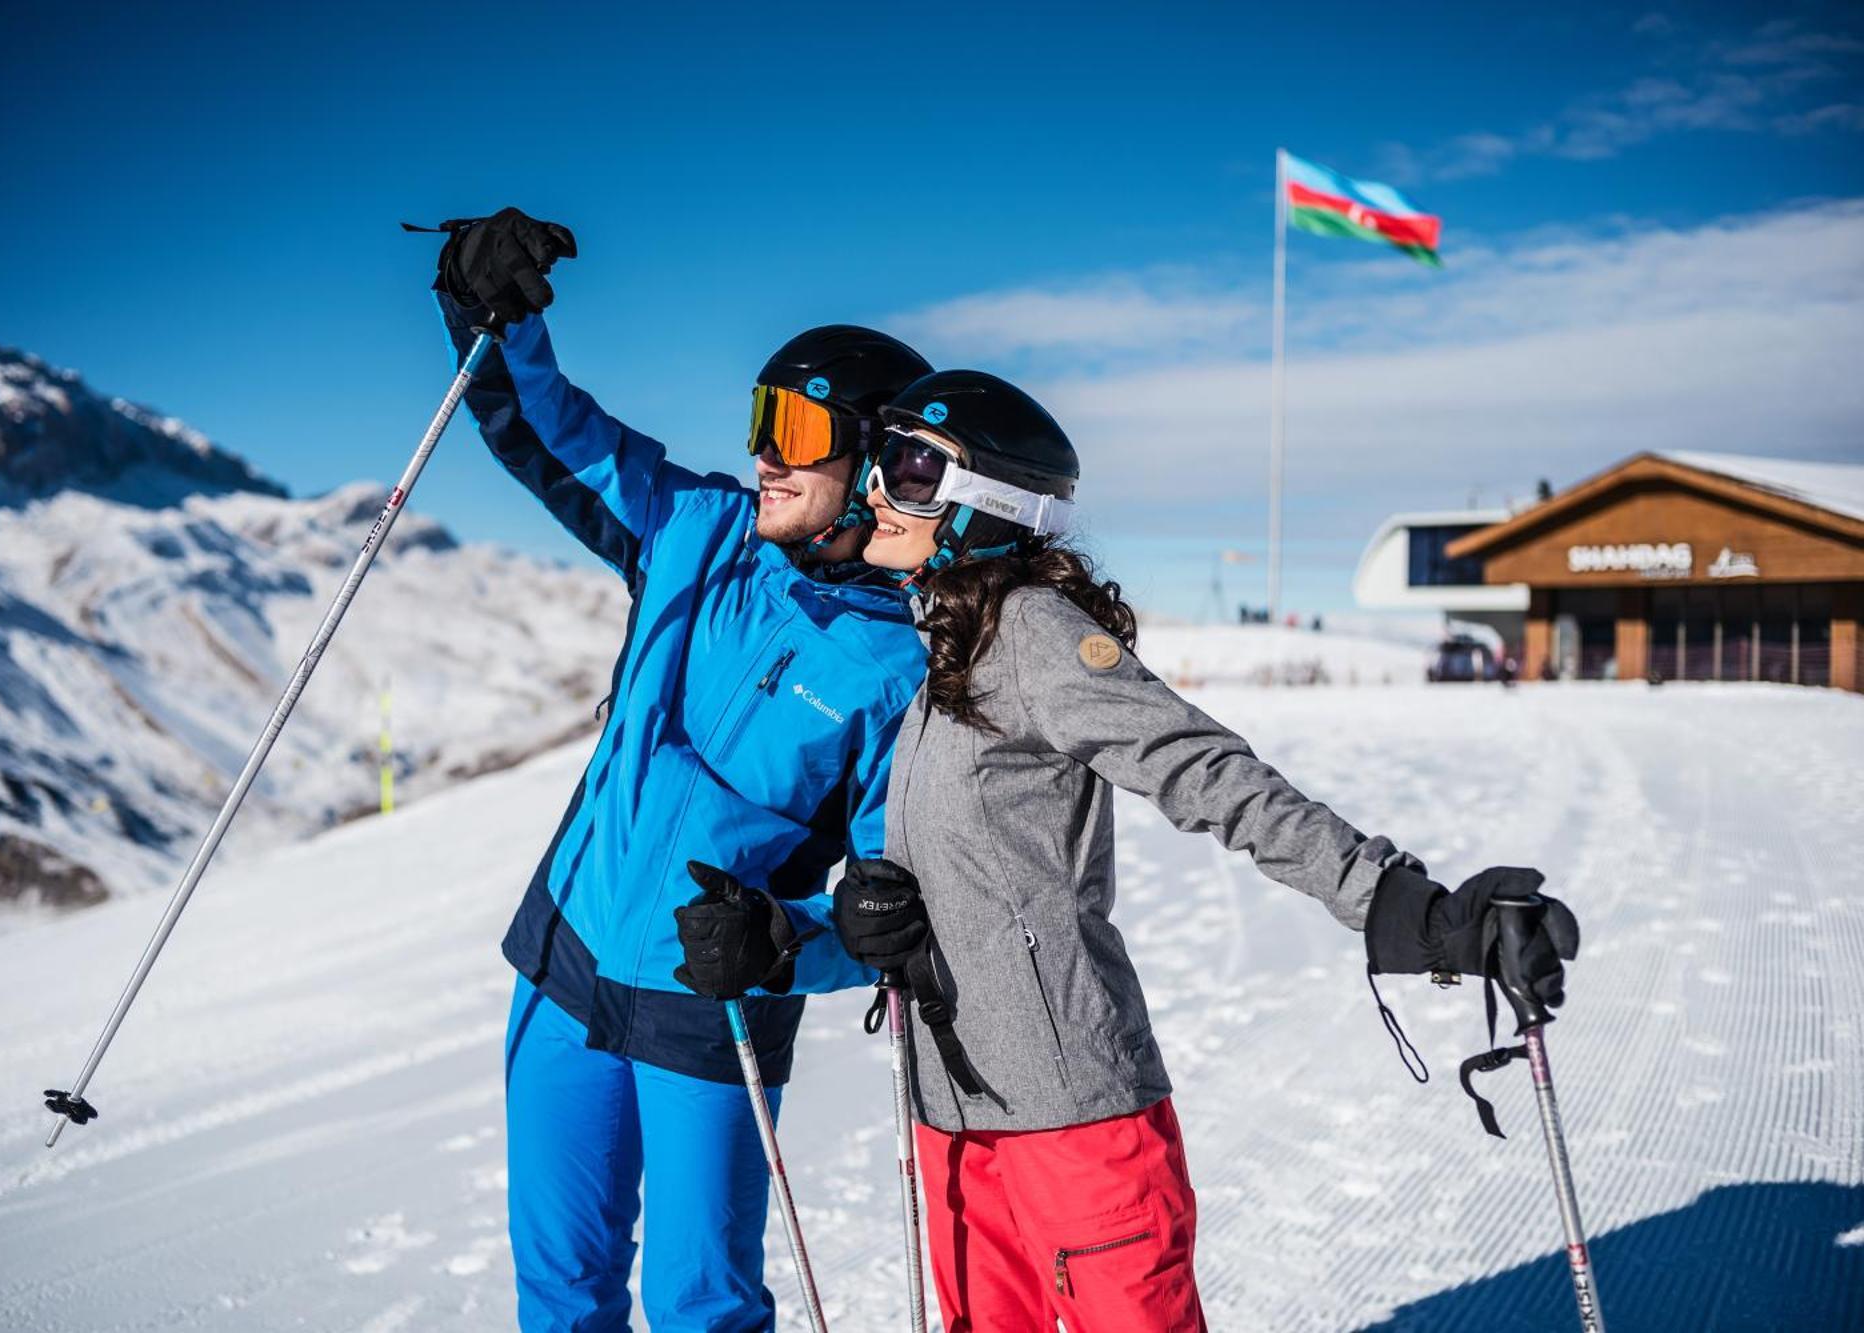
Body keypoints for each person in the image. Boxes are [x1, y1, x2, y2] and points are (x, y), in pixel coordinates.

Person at [825, 370, 1579, 1331]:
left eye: (912, 466)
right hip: (954, 1118)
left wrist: (1400, 904)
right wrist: (858, 915)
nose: (878, 490)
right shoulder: (942, 655)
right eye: (881, 462)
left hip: (1070, 1117)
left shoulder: (1034, 634)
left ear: (991, 503)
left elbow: (1205, 771)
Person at [429, 207, 932, 1331]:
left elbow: (892, 916)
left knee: (701, 1305)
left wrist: (781, 947)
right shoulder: (693, 530)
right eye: (761, 415)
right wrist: (487, 311)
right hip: (563, 955)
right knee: (559, 1283)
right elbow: (553, 432)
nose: (765, 449)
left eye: (796, 428)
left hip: (710, 1005)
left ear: (871, 464)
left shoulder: (894, 672)